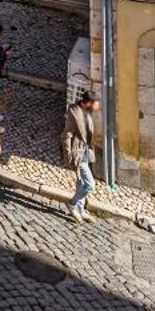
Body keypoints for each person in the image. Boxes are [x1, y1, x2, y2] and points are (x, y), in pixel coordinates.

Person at [63, 89, 102, 221]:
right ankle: (72, 203)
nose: (98, 105)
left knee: (81, 183)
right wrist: (68, 154)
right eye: (95, 103)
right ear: (89, 103)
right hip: (77, 153)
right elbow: (67, 135)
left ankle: (80, 209)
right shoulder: (74, 113)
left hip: (86, 152)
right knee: (90, 184)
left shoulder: (87, 112)